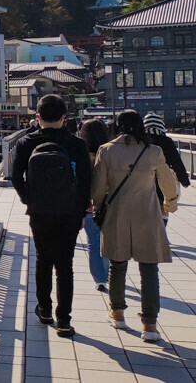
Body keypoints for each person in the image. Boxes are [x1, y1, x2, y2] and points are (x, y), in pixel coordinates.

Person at [92, 110, 179, 342]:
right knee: (149, 269)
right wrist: (170, 203)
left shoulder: (106, 150)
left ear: (117, 126)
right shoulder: (153, 151)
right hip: (147, 215)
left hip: (117, 214)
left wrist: (97, 206)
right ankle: (149, 324)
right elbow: (168, 182)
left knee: (117, 265)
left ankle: (117, 313)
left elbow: (98, 187)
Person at [12, 94, 92, 338]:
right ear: (64, 118)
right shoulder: (76, 144)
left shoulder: (26, 142)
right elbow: (85, 182)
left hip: (40, 211)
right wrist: (81, 210)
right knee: (65, 265)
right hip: (69, 211)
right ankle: (64, 320)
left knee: (43, 259)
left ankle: (45, 309)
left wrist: (29, 200)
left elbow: (16, 178)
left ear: (38, 117)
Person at [78, 119, 111, 291]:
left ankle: (100, 279)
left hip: (88, 205)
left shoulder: (80, 154)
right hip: (110, 204)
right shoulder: (110, 152)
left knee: (94, 241)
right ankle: (108, 272)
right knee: (109, 240)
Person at [144, 113, 190, 227]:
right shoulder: (166, 141)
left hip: (144, 180)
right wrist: (184, 181)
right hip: (164, 179)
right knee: (163, 206)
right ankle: (162, 230)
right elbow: (176, 162)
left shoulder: (141, 141)